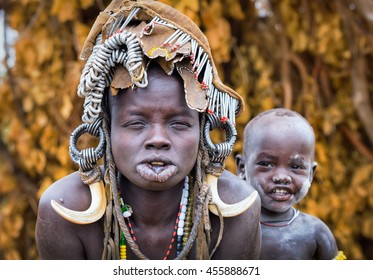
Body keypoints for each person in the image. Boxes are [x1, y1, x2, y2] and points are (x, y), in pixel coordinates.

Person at [35, 0, 261, 260]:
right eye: (136, 123)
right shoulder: (65, 209)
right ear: (106, 128)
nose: (158, 140)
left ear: (203, 130)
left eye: (178, 124)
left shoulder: (235, 208)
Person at [235, 108, 346, 260]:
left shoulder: (316, 233)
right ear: (242, 168)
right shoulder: (226, 226)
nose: (281, 177)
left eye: (296, 167)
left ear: (311, 174)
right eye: (267, 164)